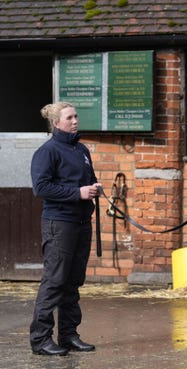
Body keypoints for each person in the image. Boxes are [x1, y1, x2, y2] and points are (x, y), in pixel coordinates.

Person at [29, 102, 101, 356]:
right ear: (56, 122)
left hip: (81, 223)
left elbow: (86, 180)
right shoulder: (47, 151)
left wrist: (94, 187)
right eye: (69, 117)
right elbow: (42, 188)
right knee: (55, 281)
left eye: (76, 116)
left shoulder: (81, 149)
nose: (75, 121)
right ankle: (40, 340)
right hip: (59, 223)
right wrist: (77, 193)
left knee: (73, 282)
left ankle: (69, 335)